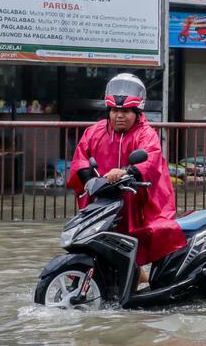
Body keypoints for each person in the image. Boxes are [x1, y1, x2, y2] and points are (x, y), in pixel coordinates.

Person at [67, 74, 186, 286]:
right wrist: (87, 180)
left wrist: (126, 171)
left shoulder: (146, 134)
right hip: (104, 199)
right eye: (115, 111)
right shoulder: (94, 132)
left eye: (125, 112)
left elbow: (150, 159)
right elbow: (80, 158)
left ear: (136, 112)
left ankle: (157, 284)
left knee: (150, 237)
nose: (119, 116)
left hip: (137, 198)